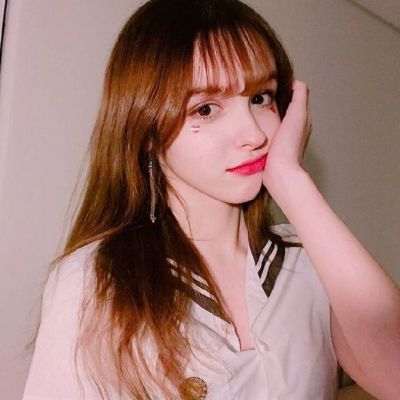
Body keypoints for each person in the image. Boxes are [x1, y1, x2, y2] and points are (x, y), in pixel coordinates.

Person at [23, 0, 400, 399]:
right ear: (147, 130)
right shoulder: (96, 280)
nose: (254, 135)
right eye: (205, 108)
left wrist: (293, 183)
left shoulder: (311, 261)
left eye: (261, 98)